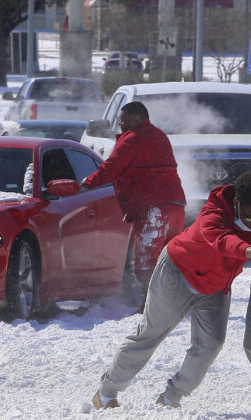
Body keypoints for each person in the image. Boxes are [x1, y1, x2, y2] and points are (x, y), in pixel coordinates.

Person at [91, 172, 251, 410]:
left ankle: (171, 397)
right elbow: (220, 238)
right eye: (250, 218)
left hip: (215, 286)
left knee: (212, 343)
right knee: (150, 334)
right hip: (177, 273)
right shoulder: (213, 213)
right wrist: (248, 251)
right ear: (237, 202)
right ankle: (106, 392)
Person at [80, 101, 186, 313]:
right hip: (176, 204)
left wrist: (88, 183)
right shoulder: (160, 135)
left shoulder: (133, 139)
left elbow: (112, 166)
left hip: (153, 205)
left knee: (148, 258)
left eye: (123, 119)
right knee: (170, 257)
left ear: (137, 119)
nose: (120, 124)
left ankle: (150, 305)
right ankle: (174, 303)